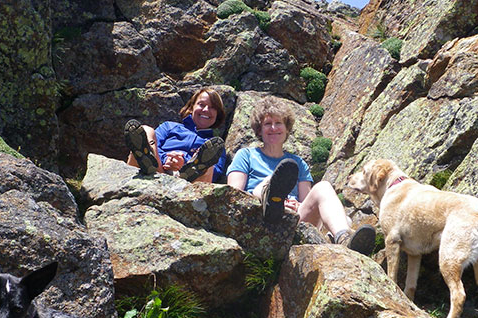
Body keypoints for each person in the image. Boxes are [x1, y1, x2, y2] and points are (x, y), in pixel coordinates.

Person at [227, 96, 375, 255]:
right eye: (267, 124)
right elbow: (232, 195)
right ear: (259, 130)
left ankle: (343, 238)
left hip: (293, 221)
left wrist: (295, 205)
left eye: (278, 123)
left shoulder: (298, 163)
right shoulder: (246, 155)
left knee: (323, 188)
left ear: (287, 129)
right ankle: (272, 200)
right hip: (258, 216)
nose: (273, 128)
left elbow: (307, 202)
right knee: (269, 181)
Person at [125, 87, 227, 183]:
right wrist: (166, 159)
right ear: (192, 107)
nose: (206, 110)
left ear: (217, 114)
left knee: (210, 162)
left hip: (189, 182)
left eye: (212, 107)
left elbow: (216, 173)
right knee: (146, 130)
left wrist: (184, 163)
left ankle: (191, 169)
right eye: (201, 104)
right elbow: (155, 145)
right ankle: (150, 166)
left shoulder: (215, 145)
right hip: (158, 169)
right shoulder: (169, 126)